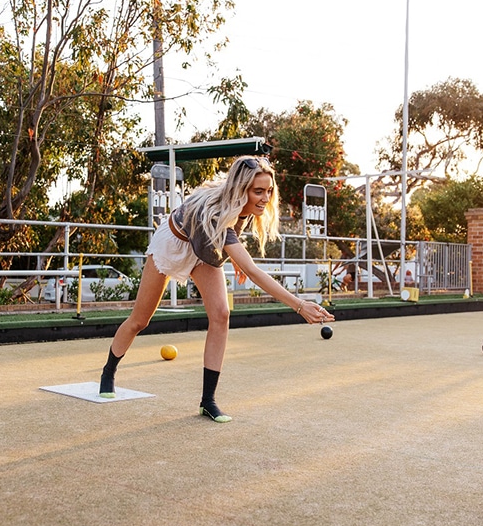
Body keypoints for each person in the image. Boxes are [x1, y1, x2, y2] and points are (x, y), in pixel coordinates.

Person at [99, 155, 334, 422]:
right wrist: (300, 305)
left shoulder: (242, 209)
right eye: (258, 191)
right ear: (240, 189)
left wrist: (237, 260)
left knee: (221, 315)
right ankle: (108, 372)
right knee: (140, 320)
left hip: (204, 249)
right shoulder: (214, 212)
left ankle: (208, 401)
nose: (265, 198)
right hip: (173, 244)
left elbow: (228, 245)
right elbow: (254, 270)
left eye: (269, 191)